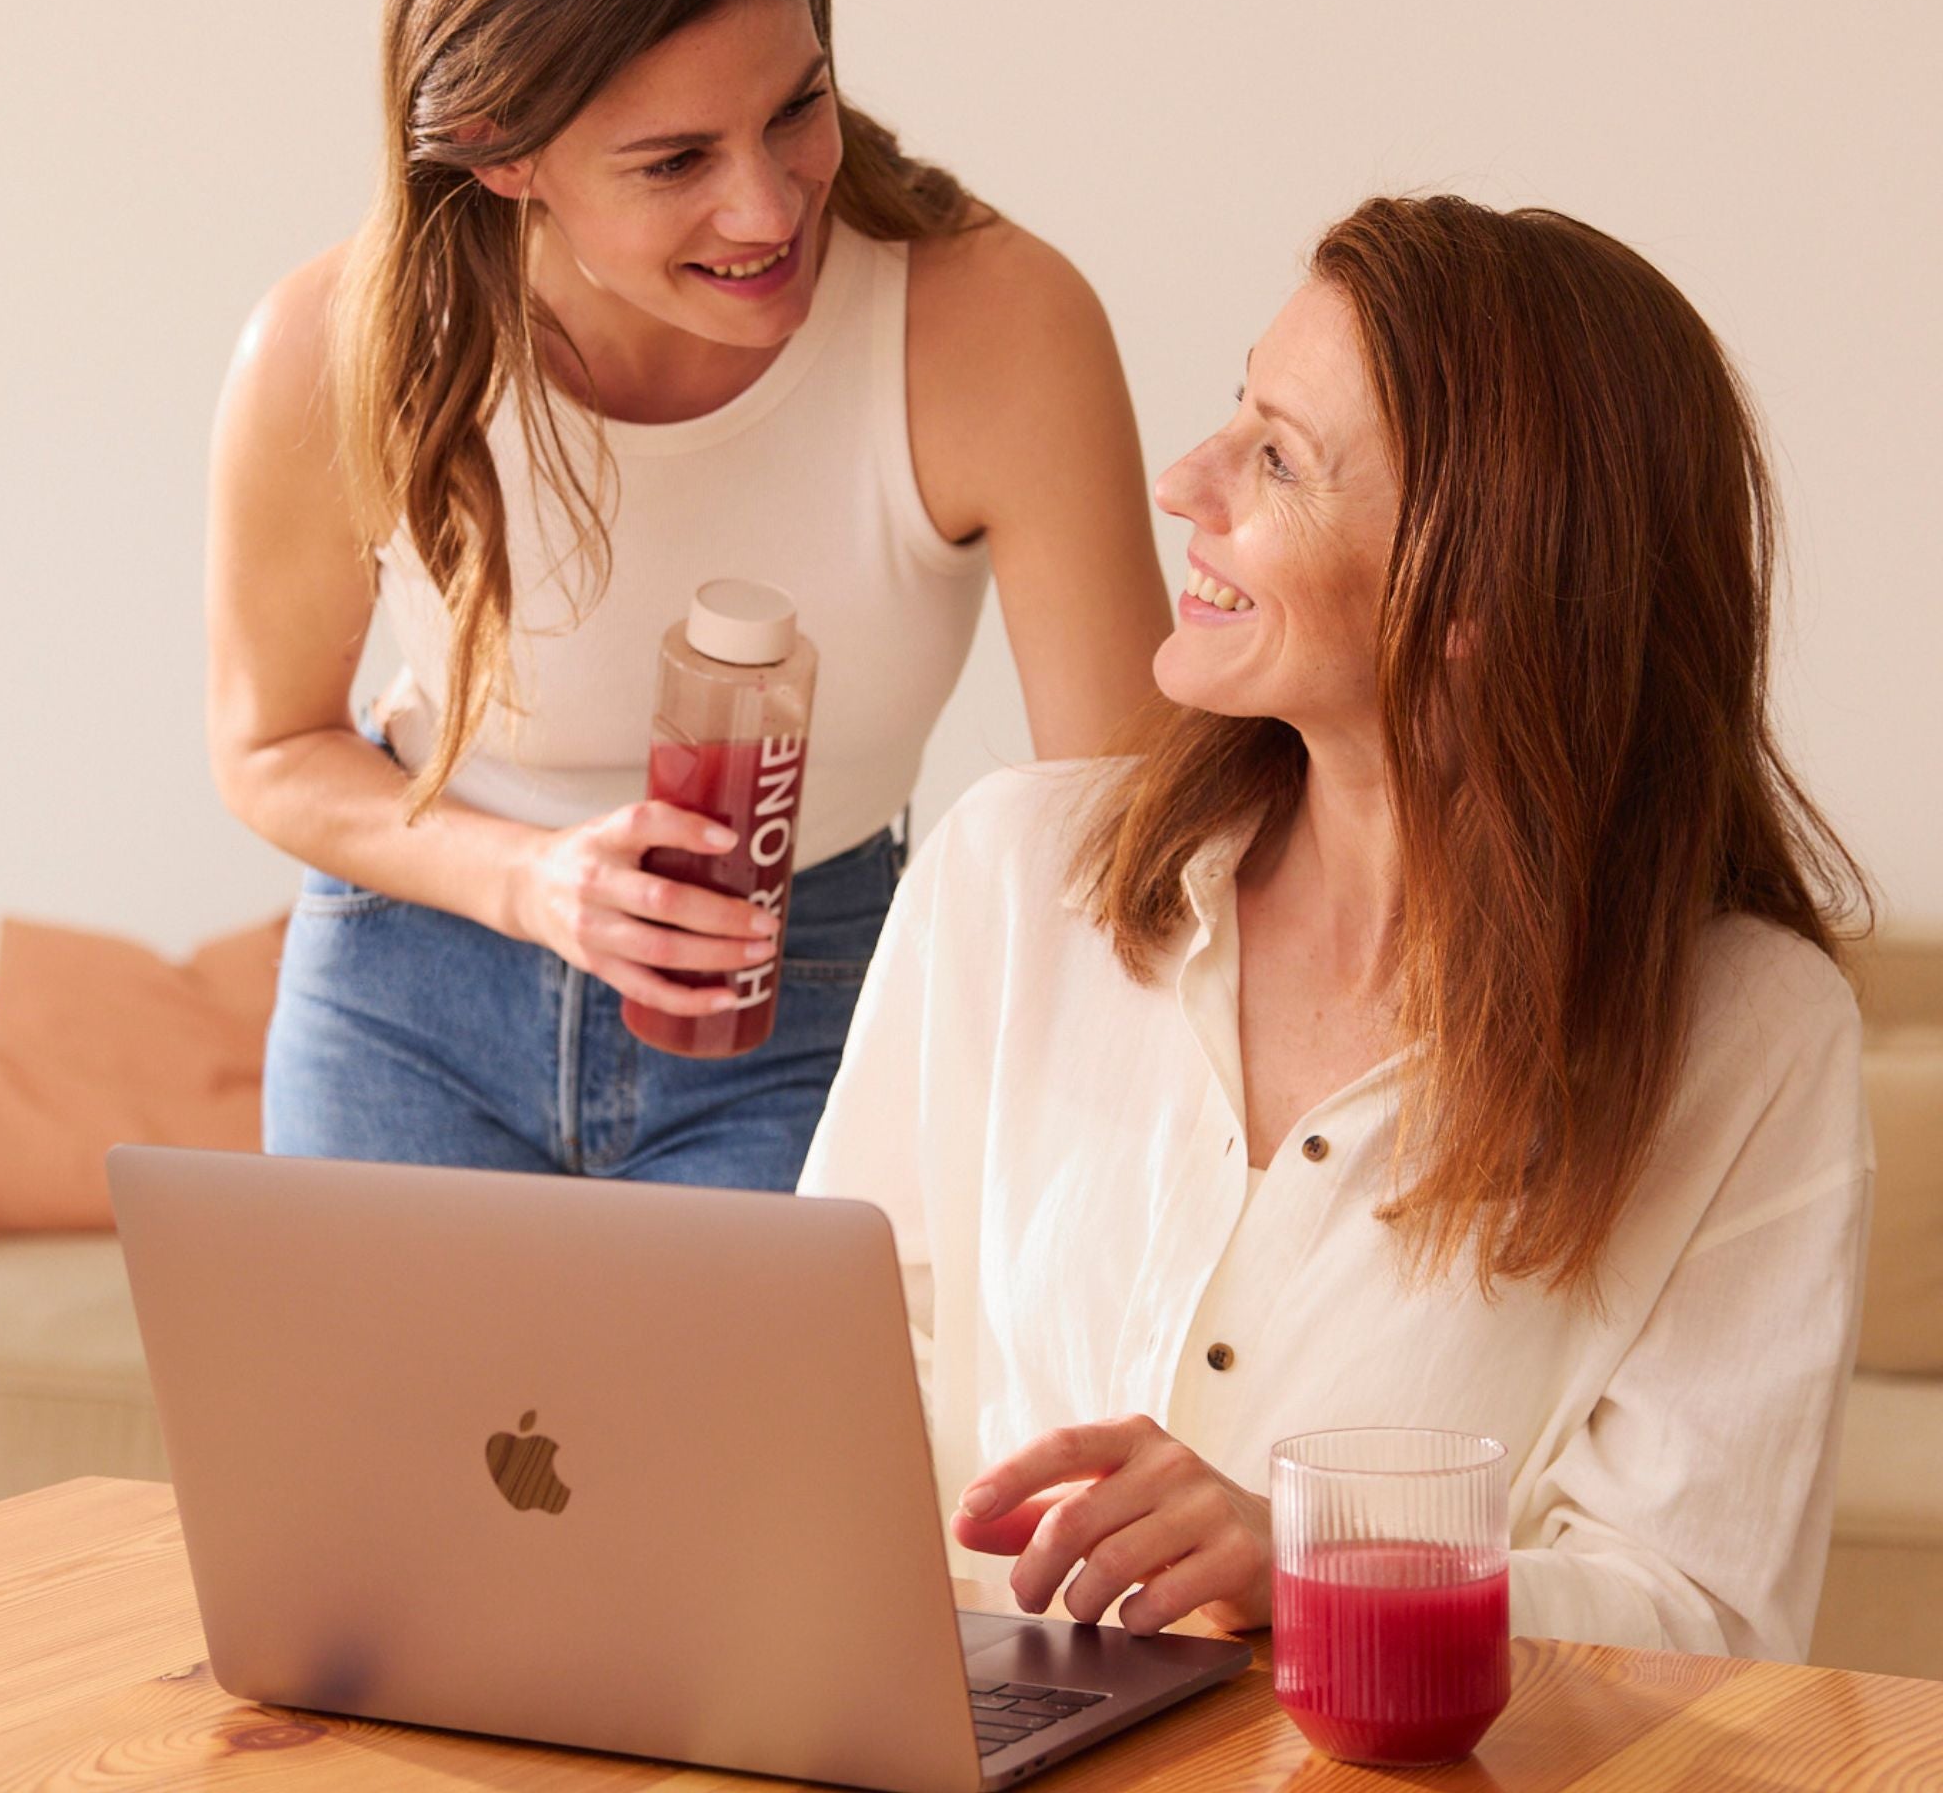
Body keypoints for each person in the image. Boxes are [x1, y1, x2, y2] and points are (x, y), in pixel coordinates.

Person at [799, 195, 1874, 1660]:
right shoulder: (1011, 871)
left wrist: (1307, 1567)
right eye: (1238, 411)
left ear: (1474, 593)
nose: (1188, 481)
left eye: (1278, 460)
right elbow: (827, 1394)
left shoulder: (1750, 1037)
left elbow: (1701, 1624)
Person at [205, 0, 1168, 1186]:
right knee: (372, 1423)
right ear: (502, 156)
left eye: (797, 107)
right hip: (412, 998)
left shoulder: (992, 330)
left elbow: (1135, 823)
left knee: (775, 1421)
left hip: (813, 996)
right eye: (674, 161)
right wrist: (533, 885)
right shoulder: (335, 349)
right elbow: (272, 744)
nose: (769, 206)